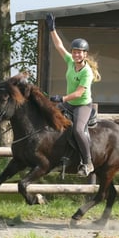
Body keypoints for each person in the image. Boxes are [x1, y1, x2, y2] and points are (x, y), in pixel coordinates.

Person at [45, 12, 101, 177]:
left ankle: (88, 162)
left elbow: (79, 93)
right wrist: (52, 29)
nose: (76, 55)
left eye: (80, 52)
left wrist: (62, 98)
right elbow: (59, 46)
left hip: (82, 105)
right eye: (74, 52)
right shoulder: (70, 61)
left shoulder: (87, 72)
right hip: (69, 103)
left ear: (85, 54)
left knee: (77, 129)